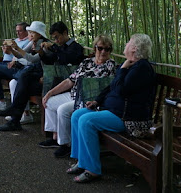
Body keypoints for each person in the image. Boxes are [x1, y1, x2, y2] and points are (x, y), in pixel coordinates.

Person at [67, 33, 156, 183]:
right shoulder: (131, 65)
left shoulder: (142, 68)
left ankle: (92, 169)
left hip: (129, 119)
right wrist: (97, 101)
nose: (126, 44)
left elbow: (121, 90)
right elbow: (111, 87)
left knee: (87, 121)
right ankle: (82, 161)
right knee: (77, 115)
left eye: (129, 42)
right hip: (115, 111)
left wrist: (122, 69)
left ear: (134, 48)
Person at [0, 21, 85, 132]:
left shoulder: (75, 47)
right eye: (54, 38)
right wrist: (42, 53)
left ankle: (15, 115)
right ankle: (15, 118)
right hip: (51, 79)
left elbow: (66, 59)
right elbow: (50, 60)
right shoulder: (58, 46)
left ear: (65, 33)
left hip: (62, 84)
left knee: (24, 80)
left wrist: (53, 47)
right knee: (24, 80)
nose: (56, 41)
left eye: (57, 37)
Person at [39, 35, 116, 158]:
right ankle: (55, 136)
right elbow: (70, 81)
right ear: (94, 48)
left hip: (88, 100)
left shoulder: (110, 65)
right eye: (100, 48)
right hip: (74, 94)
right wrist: (50, 92)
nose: (103, 52)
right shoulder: (87, 62)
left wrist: (94, 100)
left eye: (107, 49)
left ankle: (66, 144)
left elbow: (106, 89)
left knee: (63, 110)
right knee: (49, 101)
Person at [0, 21, 48, 113]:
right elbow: (20, 54)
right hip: (30, 71)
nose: (30, 35)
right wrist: (12, 49)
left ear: (39, 34)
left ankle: (15, 109)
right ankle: (20, 113)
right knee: (10, 80)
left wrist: (17, 50)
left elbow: (32, 59)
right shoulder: (33, 42)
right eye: (30, 32)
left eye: (32, 32)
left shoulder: (43, 45)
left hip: (40, 74)